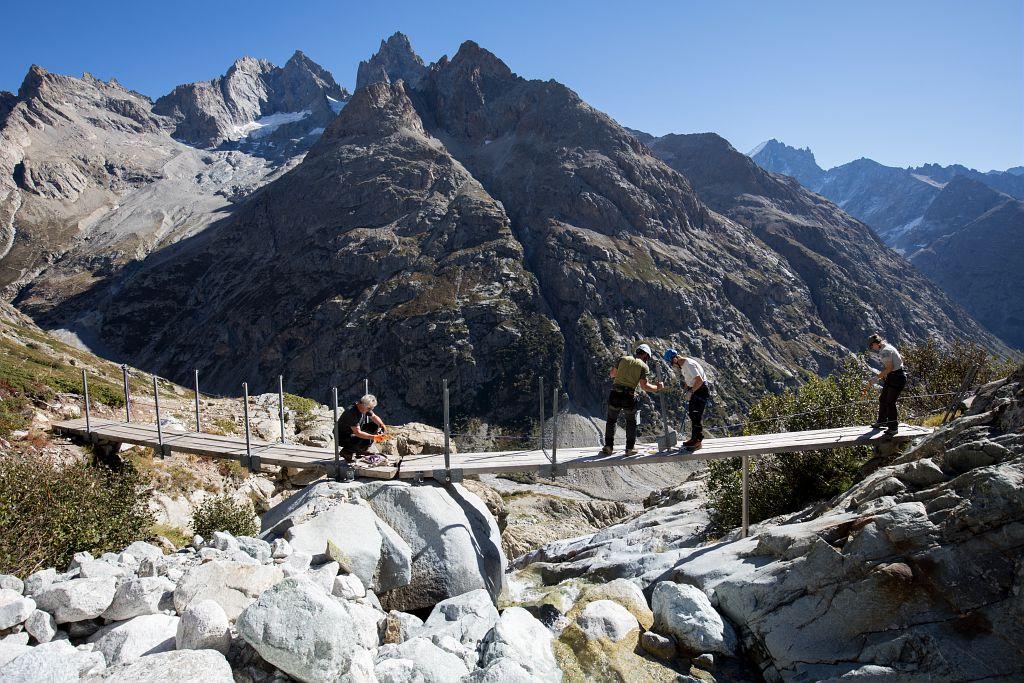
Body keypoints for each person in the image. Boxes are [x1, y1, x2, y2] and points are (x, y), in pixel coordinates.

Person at [602, 344, 664, 456]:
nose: (647, 360)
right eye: (648, 357)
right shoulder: (643, 366)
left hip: (615, 393)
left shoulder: (623, 359)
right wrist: (657, 388)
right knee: (631, 422)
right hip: (629, 396)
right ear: (645, 355)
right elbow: (644, 386)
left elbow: (612, 374)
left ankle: (608, 446)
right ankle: (630, 448)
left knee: (611, 420)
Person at [663, 348, 711, 450]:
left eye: (671, 363)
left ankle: (697, 441)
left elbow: (699, 380)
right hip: (696, 389)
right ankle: (694, 438)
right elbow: (690, 379)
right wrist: (685, 389)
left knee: (696, 414)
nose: (672, 366)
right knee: (692, 413)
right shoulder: (684, 365)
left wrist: (691, 391)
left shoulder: (688, 364)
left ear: (675, 360)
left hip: (700, 390)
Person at [867, 333, 906, 435]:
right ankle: (882, 421)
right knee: (883, 399)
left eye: (871, 346)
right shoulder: (889, 346)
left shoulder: (885, 351)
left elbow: (889, 367)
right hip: (896, 375)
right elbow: (902, 358)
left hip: (896, 378)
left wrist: (876, 378)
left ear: (876, 343)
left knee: (890, 402)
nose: (872, 348)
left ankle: (893, 428)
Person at [336, 394, 387, 460]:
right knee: (363, 436)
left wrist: (382, 425)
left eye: (371, 408)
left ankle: (360, 451)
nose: (370, 410)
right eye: (369, 408)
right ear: (363, 404)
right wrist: (374, 437)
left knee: (374, 425)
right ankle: (347, 451)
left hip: (352, 432)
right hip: (343, 437)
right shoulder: (352, 412)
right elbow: (358, 433)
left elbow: (374, 417)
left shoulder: (363, 408)